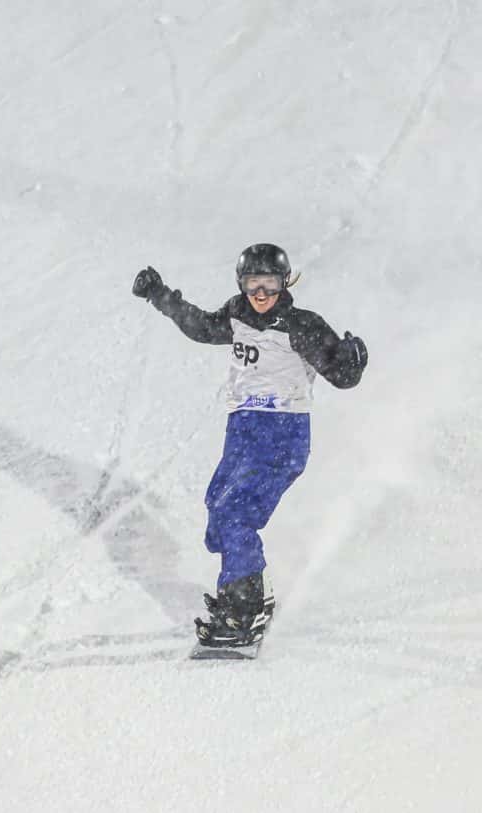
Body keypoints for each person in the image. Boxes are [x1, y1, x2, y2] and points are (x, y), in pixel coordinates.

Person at [131, 244, 368, 645]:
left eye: (270, 284)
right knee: (218, 507)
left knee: (234, 514)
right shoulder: (237, 314)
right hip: (242, 429)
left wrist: (352, 361)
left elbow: (341, 376)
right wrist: (159, 295)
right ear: (241, 285)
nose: (261, 294)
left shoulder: (302, 326)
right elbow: (201, 327)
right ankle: (253, 587)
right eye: (253, 284)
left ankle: (244, 611)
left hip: (282, 433)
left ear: (285, 282)